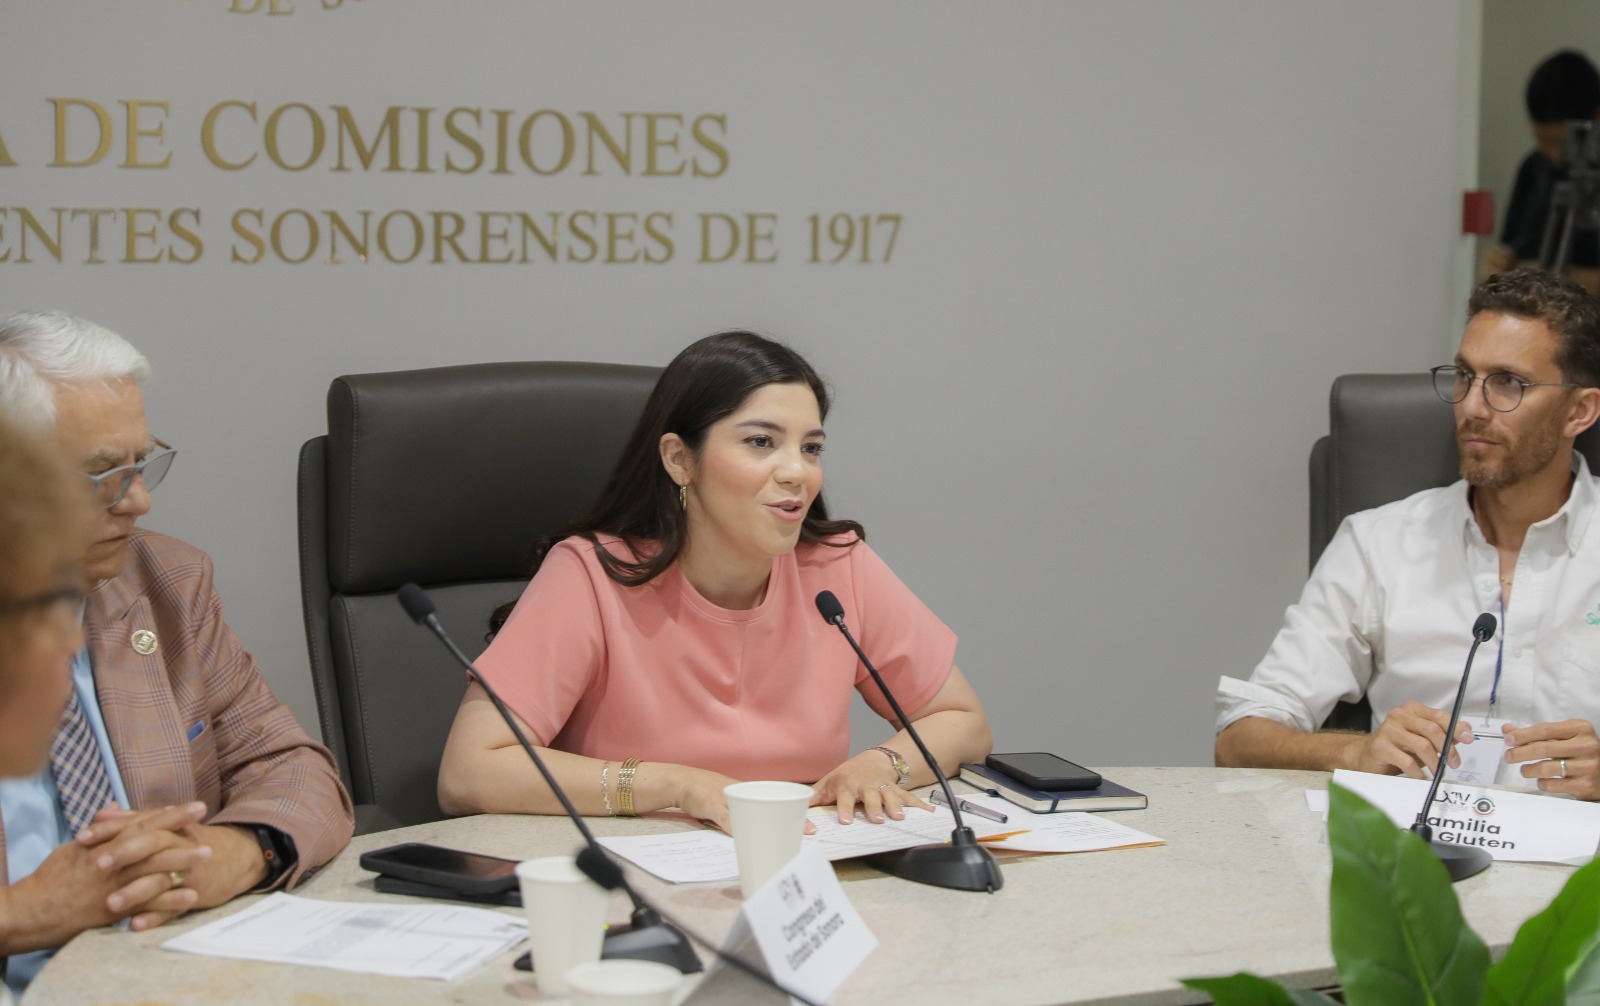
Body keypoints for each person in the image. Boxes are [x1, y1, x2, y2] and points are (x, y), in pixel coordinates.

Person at [438, 331, 992, 832]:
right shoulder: (592, 574)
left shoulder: (835, 567)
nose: (797, 472)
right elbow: (470, 770)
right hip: (634, 869)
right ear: (679, 459)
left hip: (802, 862)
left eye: (811, 447)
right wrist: (676, 785)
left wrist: (879, 765)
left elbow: (962, 721)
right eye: (760, 442)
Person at [0, 311, 353, 993]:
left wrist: (234, 851)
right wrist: (21, 914)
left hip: (168, 973)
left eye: (142, 464)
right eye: (100, 475)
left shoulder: (166, 583)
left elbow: (292, 766)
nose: (137, 502)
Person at [1215, 269, 1600, 799]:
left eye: (1508, 383)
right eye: (1464, 376)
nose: (1472, 407)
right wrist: (1356, 752)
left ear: (1579, 411)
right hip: (1414, 844)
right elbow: (1239, 738)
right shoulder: (1379, 543)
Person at [1480, 50, 1600, 293]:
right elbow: (1510, 249)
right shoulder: (1534, 168)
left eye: (1559, 143)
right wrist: (1498, 267)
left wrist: (1549, 276)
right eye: (1542, 141)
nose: (1552, 155)